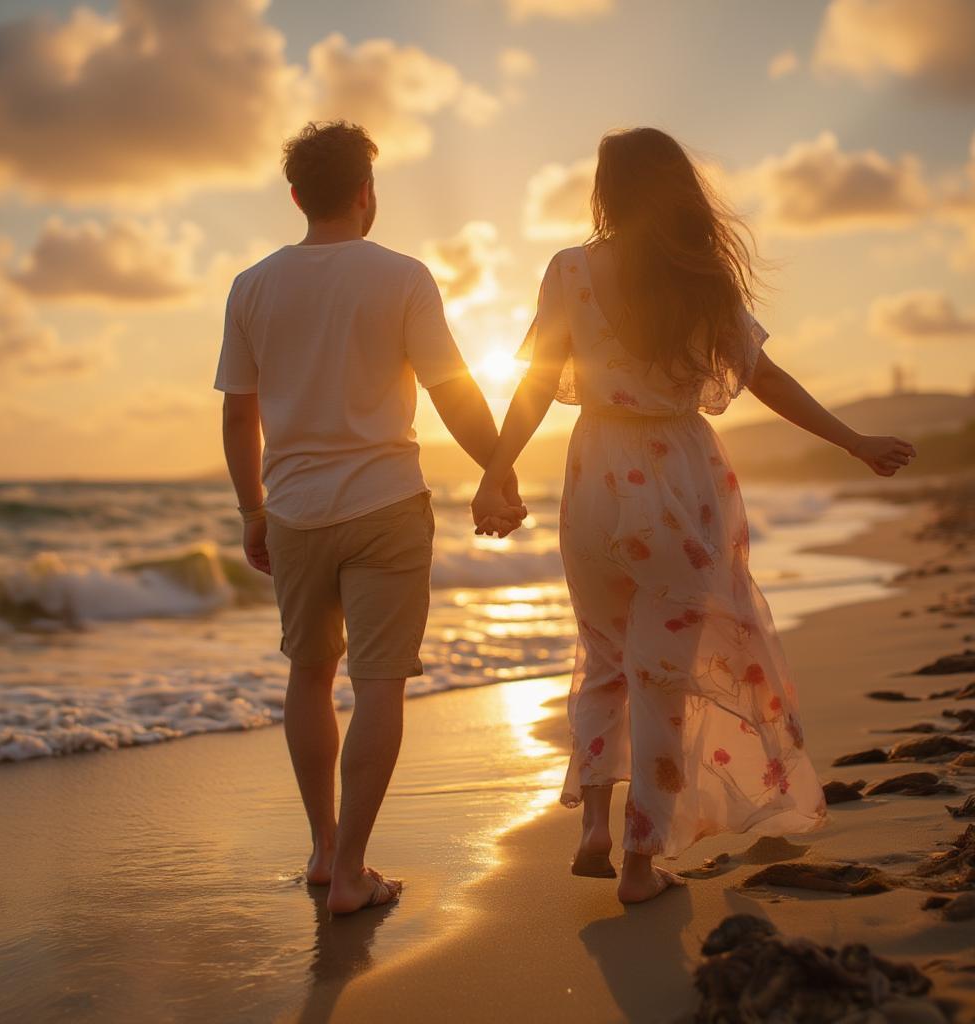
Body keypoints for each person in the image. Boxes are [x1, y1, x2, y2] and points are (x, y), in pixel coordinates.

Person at [471, 127, 916, 904]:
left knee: (605, 654)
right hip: (677, 475)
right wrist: (853, 441)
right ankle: (641, 863)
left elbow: (538, 384)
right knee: (661, 680)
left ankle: (595, 825)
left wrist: (498, 468)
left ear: (608, 191)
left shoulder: (569, 268)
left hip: (594, 474)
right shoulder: (697, 274)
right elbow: (765, 376)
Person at [214, 121, 523, 915]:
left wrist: (254, 511)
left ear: (295, 197)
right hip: (385, 503)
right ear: (365, 192)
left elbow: (238, 416)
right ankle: (353, 870)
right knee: (379, 684)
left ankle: (324, 850)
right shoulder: (403, 276)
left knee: (308, 674)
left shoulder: (251, 285)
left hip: (294, 509)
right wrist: (498, 472)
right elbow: (453, 390)